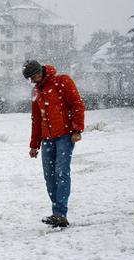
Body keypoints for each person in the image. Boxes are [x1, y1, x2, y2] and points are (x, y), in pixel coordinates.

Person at [22, 60, 85, 228]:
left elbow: (77, 104)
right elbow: (36, 119)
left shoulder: (62, 81)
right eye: (30, 78)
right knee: (49, 177)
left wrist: (77, 129)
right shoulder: (36, 91)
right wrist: (34, 145)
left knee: (61, 173)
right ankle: (57, 213)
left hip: (64, 136)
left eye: (34, 75)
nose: (34, 80)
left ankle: (60, 213)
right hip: (47, 139)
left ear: (41, 70)